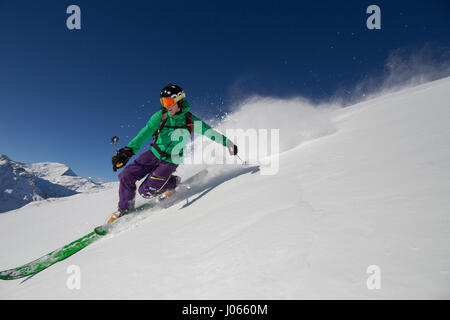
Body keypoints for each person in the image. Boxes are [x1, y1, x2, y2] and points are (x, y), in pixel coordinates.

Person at [109, 84, 238, 223]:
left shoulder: (190, 120)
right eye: (163, 102)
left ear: (179, 101)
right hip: (153, 153)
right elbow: (144, 134)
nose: (166, 106)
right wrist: (127, 152)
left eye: (169, 102)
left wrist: (228, 143)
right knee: (126, 175)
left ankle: (172, 182)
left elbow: (209, 132)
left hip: (171, 160)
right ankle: (125, 210)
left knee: (146, 192)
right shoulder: (160, 116)